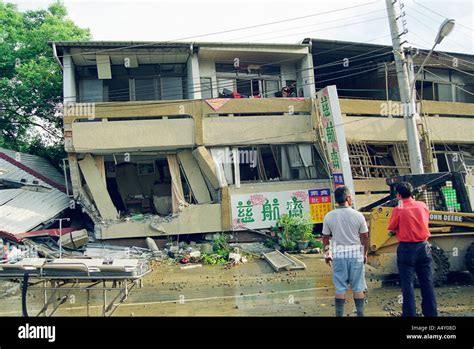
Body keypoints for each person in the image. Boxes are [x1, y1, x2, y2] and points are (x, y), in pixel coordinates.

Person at [388, 182, 438, 317]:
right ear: (412, 192)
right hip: (424, 246)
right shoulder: (422, 205)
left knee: (407, 284)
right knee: (427, 281)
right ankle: (431, 313)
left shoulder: (399, 208)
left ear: (398, 195)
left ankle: (410, 314)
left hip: (406, 249)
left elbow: (391, 226)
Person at [322, 186, 369, 317]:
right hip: (356, 255)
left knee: (340, 288)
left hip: (339, 255)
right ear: (348, 198)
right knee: (358, 287)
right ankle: (360, 314)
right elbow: (365, 237)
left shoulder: (329, 216)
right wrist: (364, 254)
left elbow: (325, 238)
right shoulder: (358, 215)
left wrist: (327, 254)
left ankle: (339, 314)